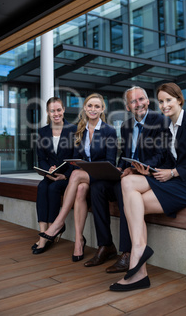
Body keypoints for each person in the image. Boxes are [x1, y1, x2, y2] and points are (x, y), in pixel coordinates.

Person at [110, 82, 186, 291]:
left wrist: (174, 173)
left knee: (132, 204)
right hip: (174, 181)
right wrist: (148, 170)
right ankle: (139, 260)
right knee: (128, 182)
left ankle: (137, 260)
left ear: (179, 100)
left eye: (169, 100)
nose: (165, 105)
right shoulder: (167, 127)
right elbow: (168, 160)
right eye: (162, 101)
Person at [84, 86, 166, 271]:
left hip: (147, 176)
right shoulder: (127, 126)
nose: (138, 104)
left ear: (147, 101)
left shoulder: (160, 121)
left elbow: (160, 155)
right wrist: (120, 167)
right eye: (133, 101)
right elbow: (126, 154)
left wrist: (134, 169)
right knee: (97, 188)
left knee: (124, 189)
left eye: (141, 99)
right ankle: (105, 245)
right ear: (127, 106)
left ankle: (128, 252)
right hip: (129, 174)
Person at [40, 93, 118, 262]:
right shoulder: (79, 130)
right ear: (84, 108)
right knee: (81, 188)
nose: (93, 109)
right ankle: (79, 240)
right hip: (84, 179)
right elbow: (76, 159)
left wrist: (85, 170)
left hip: (103, 177)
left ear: (102, 109)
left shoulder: (109, 131)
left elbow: (111, 162)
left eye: (97, 106)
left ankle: (58, 223)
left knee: (76, 175)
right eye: (90, 106)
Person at [32, 97, 77, 254]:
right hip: (50, 175)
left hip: (66, 177)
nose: (56, 113)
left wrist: (65, 176)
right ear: (48, 112)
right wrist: (48, 170)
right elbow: (41, 159)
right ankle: (43, 233)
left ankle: (52, 229)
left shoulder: (74, 130)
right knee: (42, 187)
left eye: (59, 110)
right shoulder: (42, 132)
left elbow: (77, 159)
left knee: (53, 189)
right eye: (52, 111)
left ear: (63, 110)